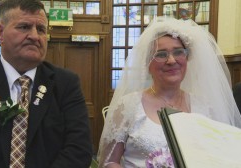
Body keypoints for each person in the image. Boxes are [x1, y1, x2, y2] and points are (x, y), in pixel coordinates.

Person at [0, 0, 93, 167]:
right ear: (0, 32)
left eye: (41, 29)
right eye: (24, 27)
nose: (35, 36)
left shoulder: (66, 84)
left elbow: (79, 149)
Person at [97, 16, 241, 168]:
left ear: (187, 58)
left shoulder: (205, 107)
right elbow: (109, 162)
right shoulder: (128, 106)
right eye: (161, 54)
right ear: (148, 63)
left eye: (178, 52)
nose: (171, 60)